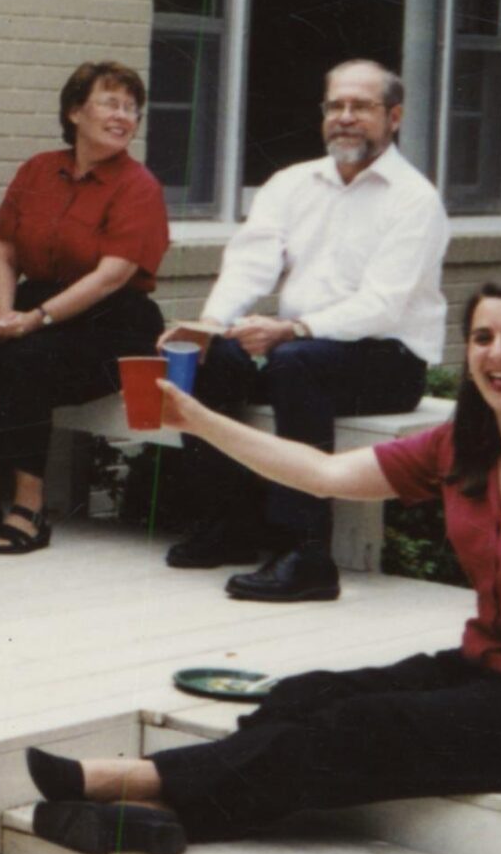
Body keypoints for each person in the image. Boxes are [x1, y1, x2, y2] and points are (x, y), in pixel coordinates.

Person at [24, 279, 501, 854]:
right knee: (306, 694)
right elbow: (321, 473)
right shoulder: (461, 447)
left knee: (362, 723)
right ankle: (157, 818)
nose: (497, 353)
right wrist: (197, 420)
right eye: (482, 337)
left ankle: (130, 784)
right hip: (491, 673)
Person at [159, 59, 449, 602]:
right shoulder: (291, 184)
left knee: (297, 364)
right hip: (306, 350)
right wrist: (211, 325)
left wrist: (292, 329)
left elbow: (383, 306)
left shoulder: (415, 200)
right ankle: (228, 525)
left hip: (386, 360)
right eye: (335, 106)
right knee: (215, 360)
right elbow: (250, 264)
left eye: (361, 107)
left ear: (394, 117)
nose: (345, 117)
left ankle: (307, 553)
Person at [0, 62, 171, 555]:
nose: (123, 115)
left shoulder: (138, 186)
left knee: (27, 362)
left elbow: (112, 276)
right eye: (110, 103)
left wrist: (35, 321)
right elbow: (4, 251)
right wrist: (3, 318)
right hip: (36, 304)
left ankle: (29, 509)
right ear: (74, 112)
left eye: (132, 108)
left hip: (113, 321)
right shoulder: (38, 170)